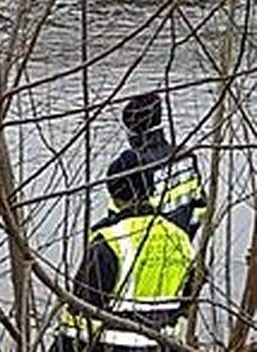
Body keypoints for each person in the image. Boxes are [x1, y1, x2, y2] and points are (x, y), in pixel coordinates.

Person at [54, 151, 194, 351]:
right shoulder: (180, 239)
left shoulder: (110, 240)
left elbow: (80, 311)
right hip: (161, 345)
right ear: (150, 189)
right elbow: (188, 295)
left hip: (112, 346)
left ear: (113, 192)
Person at [115, 92, 206, 238]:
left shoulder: (130, 165)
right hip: (182, 250)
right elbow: (201, 207)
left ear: (131, 131)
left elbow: (117, 223)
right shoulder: (186, 157)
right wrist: (185, 238)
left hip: (142, 252)